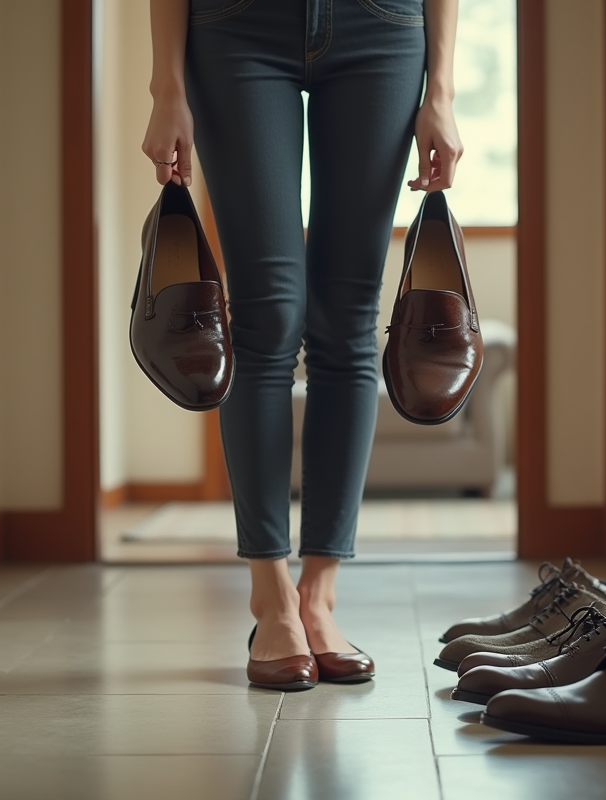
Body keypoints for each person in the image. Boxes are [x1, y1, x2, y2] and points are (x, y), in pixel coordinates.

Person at [142, 0, 462, 688]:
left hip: (382, 25)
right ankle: (270, 594)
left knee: (347, 319)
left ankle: (319, 595)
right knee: (266, 316)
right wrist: (167, 85)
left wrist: (442, 89)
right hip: (235, 27)